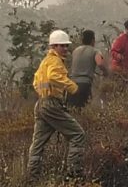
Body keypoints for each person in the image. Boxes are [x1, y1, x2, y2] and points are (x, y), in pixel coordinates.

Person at [27, 30, 85, 180]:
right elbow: (53, 76)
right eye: (62, 46)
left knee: (38, 144)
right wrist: (72, 87)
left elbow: (35, 82)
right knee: (78, 135)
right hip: (51, 104)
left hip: (41, 104)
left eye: (66, 46)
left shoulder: (44, 62)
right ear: (53, 46)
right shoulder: (55, 61)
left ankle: (32, 178)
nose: (65, 49)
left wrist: (45, 93)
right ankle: (74, 175)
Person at [67, 30, 108, 108]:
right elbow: (100, 63)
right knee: (84, 109)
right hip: (84, 84)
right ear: (93, 40)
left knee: (73, 110)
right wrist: (106, 72)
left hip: (71, 84)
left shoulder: (76, 51)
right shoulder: (95, 51)